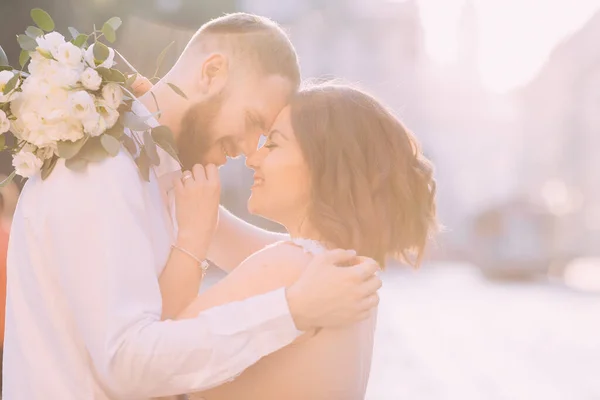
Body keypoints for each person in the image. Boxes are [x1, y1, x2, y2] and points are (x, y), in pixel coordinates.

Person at [3, 14, 381, 400]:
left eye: (268, 138)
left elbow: (287, 253)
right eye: (253, 121)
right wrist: (292, 312)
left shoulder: (162, 176)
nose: (251, 150)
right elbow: (125, 364)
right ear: (212, 72)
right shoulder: (100, 168)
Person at [160, 83, 438, 400]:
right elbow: (215, 227)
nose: (253, 158)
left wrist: (190, 240)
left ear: (324, 164)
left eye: (274, 145)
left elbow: (153, 360)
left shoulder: (290, 266)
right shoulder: (338, 266)